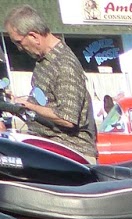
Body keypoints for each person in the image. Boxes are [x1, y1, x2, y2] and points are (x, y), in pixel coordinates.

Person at [3, 6, 97, 161]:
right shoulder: (44, 61)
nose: (19, 49)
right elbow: (46, 103)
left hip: (70, 156)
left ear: (34, 36)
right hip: (48, 149)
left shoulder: (64, 64)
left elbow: (67, 118)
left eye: (19, 42)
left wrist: (28, 106)